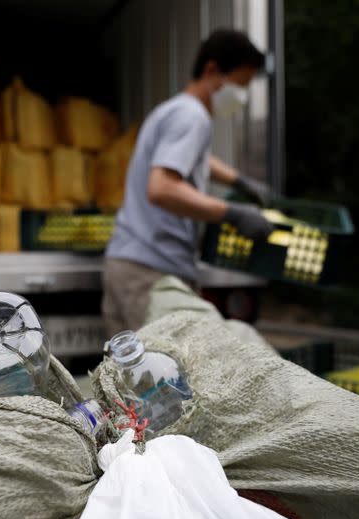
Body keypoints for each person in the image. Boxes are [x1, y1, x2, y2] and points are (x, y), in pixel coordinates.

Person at [102, 28, 274, 336]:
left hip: (130, 265)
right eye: (241, 83)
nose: (243, 95)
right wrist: (232, 213)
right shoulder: (192, 117)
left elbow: (193, 158)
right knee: (166, 377)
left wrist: (239, 181)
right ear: (212, 71)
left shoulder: (173, 110)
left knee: (132, 378)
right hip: (151, 273)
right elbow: (163, 187)